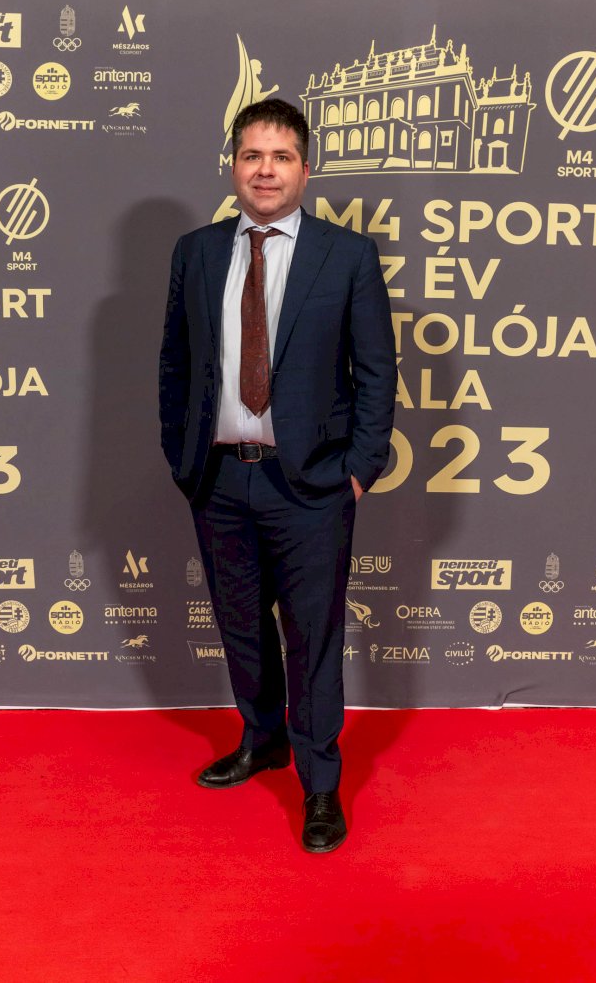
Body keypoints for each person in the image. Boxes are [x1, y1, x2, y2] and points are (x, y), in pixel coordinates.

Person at [159, 99, 396, 853]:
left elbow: (377, 373)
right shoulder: (197, 252)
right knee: (241, 627)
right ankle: (262, 741)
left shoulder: (347, 255)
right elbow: (175, 365)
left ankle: (320, 784)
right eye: (252, 155)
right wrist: (183, 460)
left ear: (305, 168)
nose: (266, 170)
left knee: (313, 636)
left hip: (313, 486)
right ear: (233, 165)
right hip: (220, 479)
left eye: (281, 156)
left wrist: (358, 471)